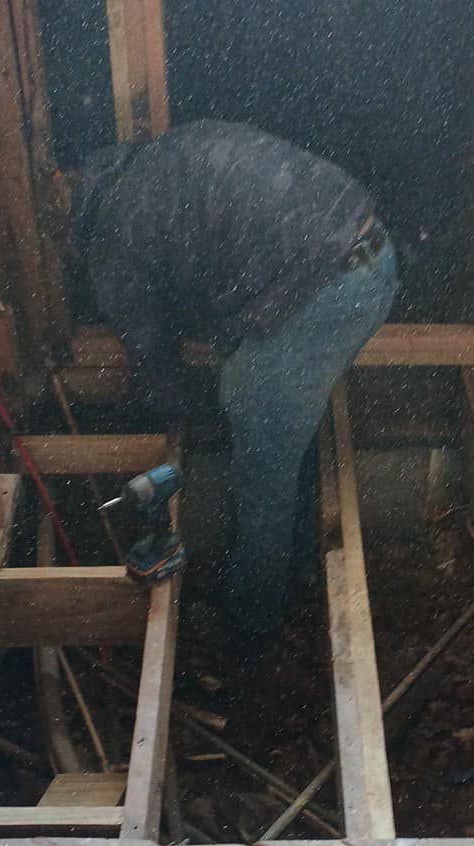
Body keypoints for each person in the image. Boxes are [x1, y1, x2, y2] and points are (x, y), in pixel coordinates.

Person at [71, 121, 399, 646]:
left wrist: (169, 419)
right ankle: (299, 569)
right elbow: (227, 251)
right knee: (280, 431)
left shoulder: (112, 235)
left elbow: (151, 356)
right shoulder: (165, 157)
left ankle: (252, 622)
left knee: (262, 460)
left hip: (321, 289)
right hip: (374, 260)